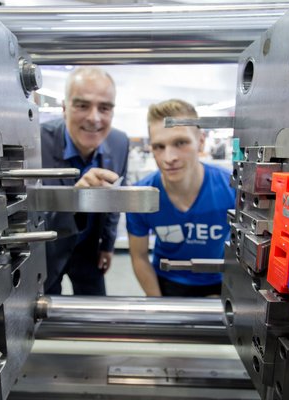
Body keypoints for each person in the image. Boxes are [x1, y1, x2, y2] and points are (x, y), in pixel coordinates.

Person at [126, 99, 235, 296]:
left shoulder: (231, 188)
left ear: (200, 141)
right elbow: (139, 256)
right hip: (166, 282)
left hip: (220, 281)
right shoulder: (141, 195)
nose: (169, 158)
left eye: (180, 143)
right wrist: (158, 304)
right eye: (159, 146)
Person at [40, 66, 129, 295]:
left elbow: (114, 202)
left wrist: (107, 245)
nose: (94, 118)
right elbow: (26, 216)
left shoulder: (119, 143)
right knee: (44, 316)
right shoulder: (36, 143)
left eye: (105, 108)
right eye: (82, 105)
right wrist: (74, 199)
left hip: (90, 248)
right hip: (48, 247)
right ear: (64, 108)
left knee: (96, 312)